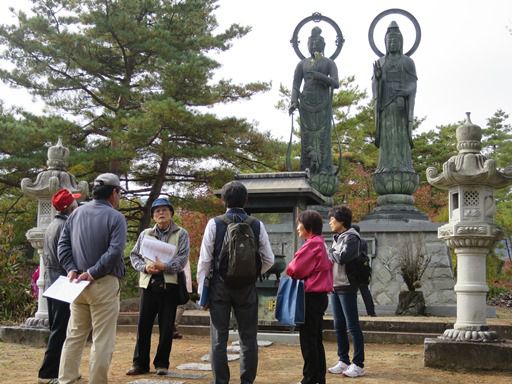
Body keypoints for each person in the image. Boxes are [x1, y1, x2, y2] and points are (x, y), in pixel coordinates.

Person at [196, 180, 274, 384]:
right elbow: (269, 260)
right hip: (247, 288)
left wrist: (202, 292)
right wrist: (252, 273)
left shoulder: (215, 223)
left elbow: (204, 261)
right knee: (248, 338)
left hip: (219, 287)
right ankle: (246, 381)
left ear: (223, 200)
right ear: (246, 200)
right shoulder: (256, 224)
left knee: (219, 338)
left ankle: (221, 381)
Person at [58, 173, 127, 384]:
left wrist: (71, 269)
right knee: (102, 339)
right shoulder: (116, 217)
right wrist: (94, 272)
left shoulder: (76, 213)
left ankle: (66, 379)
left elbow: (63, 246)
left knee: (75, 335)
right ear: (114, 192)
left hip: (76, 284)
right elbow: (114, 252)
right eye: (119, 192)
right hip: (102, 283)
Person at [126, 197, 190, 376]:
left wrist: (166, 267)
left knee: (167, 326)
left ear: (171, 213)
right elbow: (134, 256)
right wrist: (145, 267)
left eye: (164, 210)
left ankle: (162, 364)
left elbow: (182, 257)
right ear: (153, 216)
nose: (161, 213)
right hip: (148, 283)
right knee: (143, 326)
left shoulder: (181, 233)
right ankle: (140, 364)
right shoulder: (145, 233)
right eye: (157, 211)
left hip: (169, 285)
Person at [38, 188, 80, 384]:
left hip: (52, 281)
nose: (77, 204)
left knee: (59, 328)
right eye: (75, 202)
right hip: (63, 282)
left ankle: (61, 370)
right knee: (60, 330)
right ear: (70, 207)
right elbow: (67, 257)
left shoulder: (53, 224)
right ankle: (48, 373)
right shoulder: (66, 227)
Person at [286, 210, 333, 384]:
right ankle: (318, 377)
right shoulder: (321, 243)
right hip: (319, 296)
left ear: (308, 227)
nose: (298, 227)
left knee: (308, 339)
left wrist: (291, 267)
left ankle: (309, 378)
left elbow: (294, 269)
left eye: (300, 223)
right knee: (315, 339)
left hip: (310, 297)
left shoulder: (312, 244)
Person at [289, 26, 339, 175]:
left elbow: (336, 83)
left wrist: (320, 76)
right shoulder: (302, 64)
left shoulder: (329, 63)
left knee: (323, 135)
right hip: (306, 104)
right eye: (311, 43)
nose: (314, 46)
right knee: (307, 136)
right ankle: (307, 166)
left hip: (322, 103)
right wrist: (293, 101)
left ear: (323, 45)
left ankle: (324, 167)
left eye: (317, 43)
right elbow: (296, 85)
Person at [372, 21, 417, 174]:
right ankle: (385, 166)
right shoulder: (381, 62)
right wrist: (377, 78)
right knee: (387, 137)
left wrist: (405, 91)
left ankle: (403, 165)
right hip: (385, 106)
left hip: (400, 107)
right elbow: (375, 87)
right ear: (385, 43)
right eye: (389, 41)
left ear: (401, 42)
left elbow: (413, 84)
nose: (392, 44)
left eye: (396, 41)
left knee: (400, 137)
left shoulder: (407, 62)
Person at [327, 206, 366, 378]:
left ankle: (358, 364)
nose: (330, 222)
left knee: (352, 326)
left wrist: (328, 250)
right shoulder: (338, 237)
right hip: (336, 286)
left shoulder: (352, 238)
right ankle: (343, 360)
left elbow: (342, 258)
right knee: (339, 325)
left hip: (347, 285)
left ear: (341, 221)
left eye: (332, 219)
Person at [352, 224, 377, 317]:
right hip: (363, 270)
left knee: (352, 293)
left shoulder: (351, 242)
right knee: (365, 291)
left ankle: (352, 312)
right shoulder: (363, 242)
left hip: (353, 271)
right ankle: (371, 311)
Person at [173, 259, 193, 339]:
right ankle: (173, 327)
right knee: (181, 305)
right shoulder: (183, 250)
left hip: (177, 279)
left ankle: (172, 327)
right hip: (180, 280)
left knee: (177, 305)